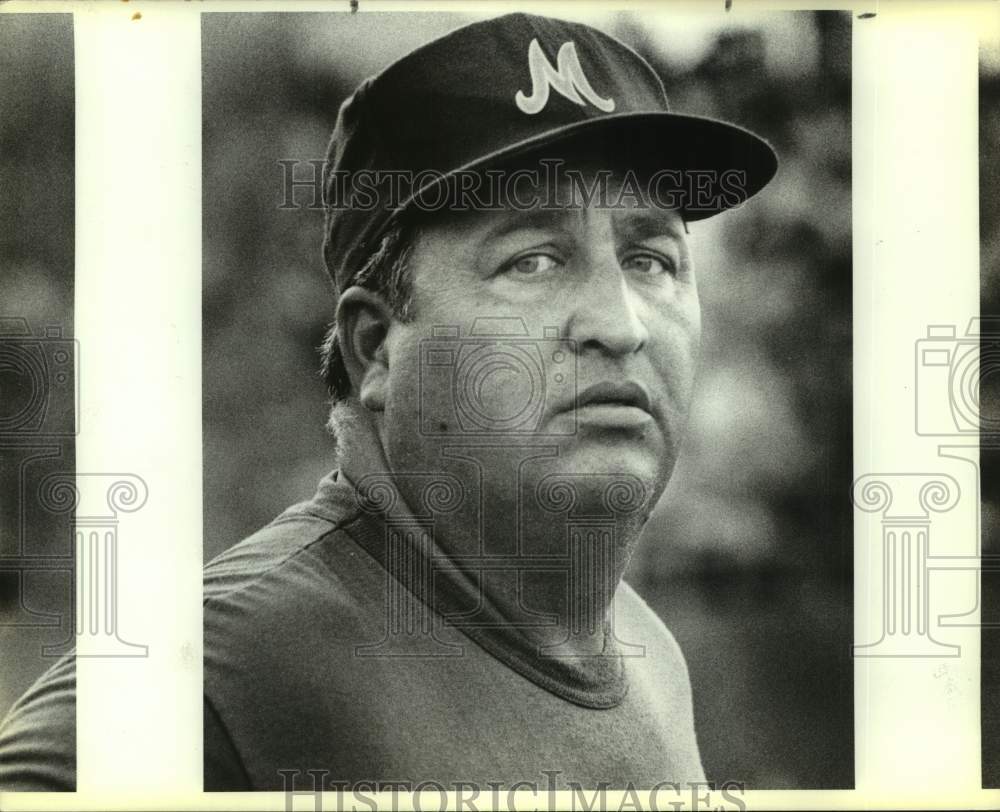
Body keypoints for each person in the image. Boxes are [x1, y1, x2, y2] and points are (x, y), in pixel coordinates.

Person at [0, 11, 776, 793]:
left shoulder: (649, 651)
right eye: (533, 261)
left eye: (650, 260)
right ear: (376, 345)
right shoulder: (221, 675)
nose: (620, 324)